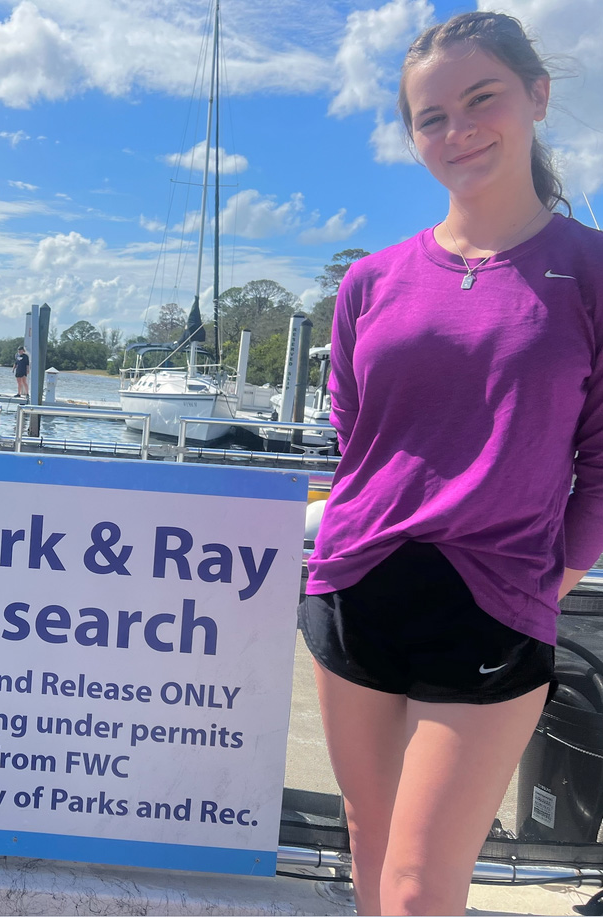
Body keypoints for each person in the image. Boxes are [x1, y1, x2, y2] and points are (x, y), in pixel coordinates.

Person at [299, 11, 603, 916]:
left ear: (537, 97)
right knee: (368, 843)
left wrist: (558, 578)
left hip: (498, 604)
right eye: (431, 117)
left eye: (482, 99)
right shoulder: (370, 281)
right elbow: (354, 440)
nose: (457, 130)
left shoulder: (589, 271)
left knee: (422, 887)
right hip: (354, 584)